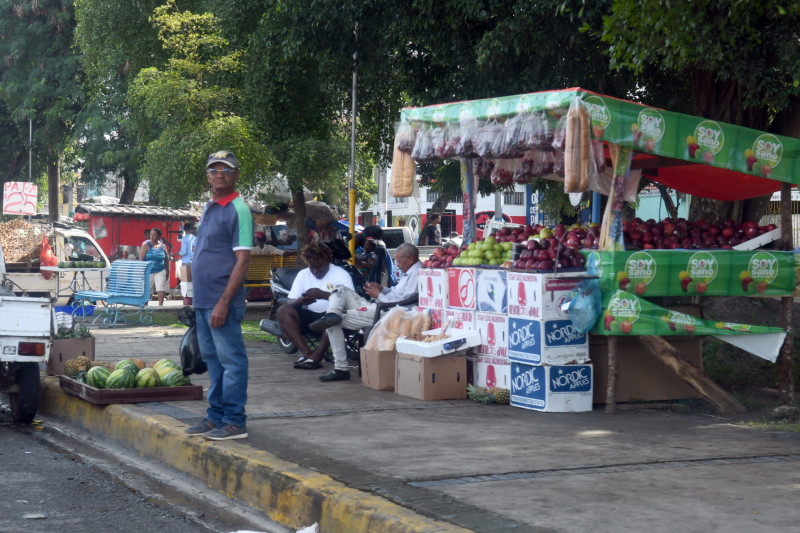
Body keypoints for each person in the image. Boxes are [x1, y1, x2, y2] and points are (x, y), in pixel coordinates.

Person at [185, 150, 252, 441]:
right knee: (212, 360)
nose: (219, 174)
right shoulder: (210, 206)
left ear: (236, 175)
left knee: (232, 361)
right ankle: (215, 416)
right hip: (202, 300)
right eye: (214, 169)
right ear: (208, 175)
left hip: (222, 301)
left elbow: (243, 260)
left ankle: (235, 421)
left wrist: (223, 301)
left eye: (226, 169)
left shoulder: (239, 209)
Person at [311, 243, 422, 382]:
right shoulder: (409, 272)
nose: (397, 265)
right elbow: (397, 293)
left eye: (399, 261)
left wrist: (379, 296)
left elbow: (403, 303)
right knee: (340, 289)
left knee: (333, 323)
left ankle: (341, 369)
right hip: (378, 306)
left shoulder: (417, 273)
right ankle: (332, 313)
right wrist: (382, 288)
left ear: (410, 259)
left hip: (387, 313)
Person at [267, 242, 354, 370]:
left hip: (334, 318)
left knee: (333, 316)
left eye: (319, 267)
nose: (315, 271)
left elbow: (351, 301)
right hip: (313, 320)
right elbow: (290, 301)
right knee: (283, 311)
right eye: (312, 267)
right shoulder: (303, 274)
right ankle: (308, 354)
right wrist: (300, 301)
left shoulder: (341, 274)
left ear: (327, 261)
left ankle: (316, 357)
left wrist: (324, 295)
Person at [139, 228, 170, 306]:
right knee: (147, 290)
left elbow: (166, 259)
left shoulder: (163, 247)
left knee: (161, 288)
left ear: (159, 236)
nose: (152, 237)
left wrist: (167, 271)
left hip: (160, 270)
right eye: (151, 235)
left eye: (154, 235)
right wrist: (142, 272)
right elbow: (141, 260)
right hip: (148, 271)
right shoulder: (146, 246)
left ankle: (160, 306)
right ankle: (145, 306)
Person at [178, 221, 197, 306]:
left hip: (185, 263)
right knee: (193, 282)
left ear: (184, 230)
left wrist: (178, 252)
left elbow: (183, 252)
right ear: (191, 229)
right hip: (194, 262)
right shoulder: (195, 238)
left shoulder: (184, 239)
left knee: (186, 283)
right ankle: (193, 301)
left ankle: (186, 302)